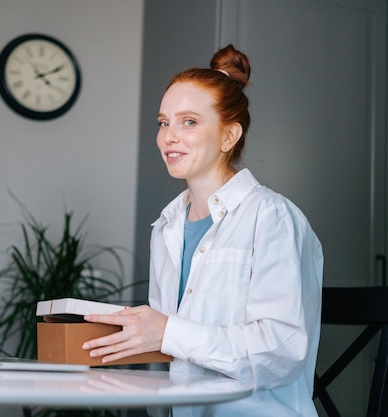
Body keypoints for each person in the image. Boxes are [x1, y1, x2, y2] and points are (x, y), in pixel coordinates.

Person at [82, 44, 324, 417]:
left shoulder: (271, 217)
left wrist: (166, 331)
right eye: (164, 122)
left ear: (229, 137)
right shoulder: (166, 227)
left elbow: (281, 351)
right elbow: (170, 350)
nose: (168, 137)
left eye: (189, 122)